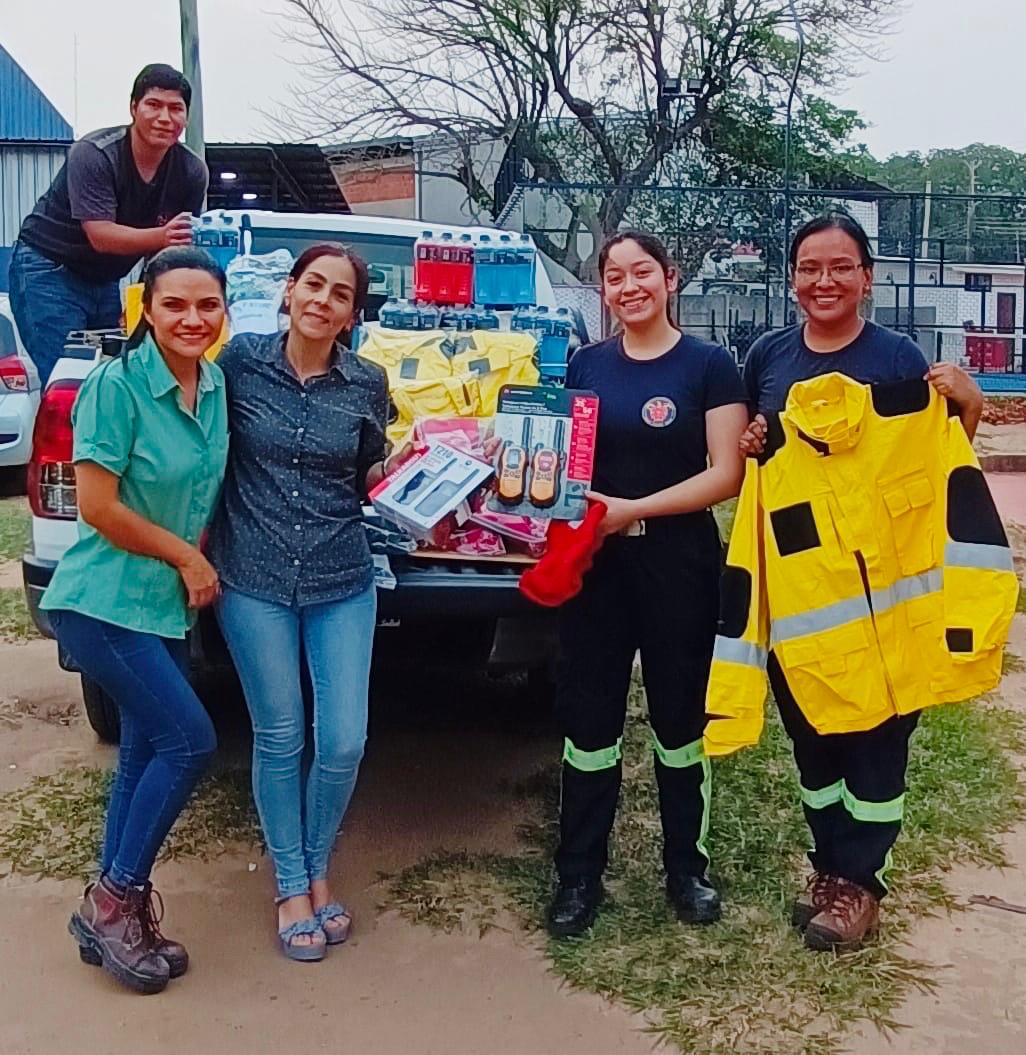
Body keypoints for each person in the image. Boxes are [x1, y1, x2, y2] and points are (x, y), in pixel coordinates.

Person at [738, 212, 985, 951]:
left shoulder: (899, 358)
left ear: (867, 277)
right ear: (791, 279)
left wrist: (967, 405)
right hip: (804, 594)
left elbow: (936, 459)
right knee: (813, 742)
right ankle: (829, 871)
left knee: (878, 745)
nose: (824, 281)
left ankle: (861, 887)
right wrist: (754, 443)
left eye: (841, 266)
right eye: (810, 267)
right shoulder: (769, 358)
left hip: (883, 595)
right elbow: (759, 460)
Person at [545, 231, 748, 938]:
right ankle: (578, 876)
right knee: (589, 722)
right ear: (601, 288)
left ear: (670, 277)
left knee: (680, 721)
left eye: (641, 273)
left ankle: (686, 869)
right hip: (596, 567)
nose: (628, 286)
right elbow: (562, 463)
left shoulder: (710, 366)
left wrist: (632, 510)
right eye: (613, 276)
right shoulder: (585, 364)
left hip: (678, 561)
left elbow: (725, 474)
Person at [41, 247, 229, 994]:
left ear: (223, 313)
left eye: (206, 305)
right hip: (101, 601)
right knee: (190, 741)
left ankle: (106, 910)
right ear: (145, 310)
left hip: (157, 608)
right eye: (175, 304)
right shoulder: (114, 387)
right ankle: (117, 897)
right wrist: (188, 556)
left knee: (145, 749)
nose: (191, 319)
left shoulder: (213, 386)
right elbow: (96, 506)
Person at [207, 244, 397, 962]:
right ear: (288, 291)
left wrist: (422, 467)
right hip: (252, 575)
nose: (322, 299)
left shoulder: (367, 383)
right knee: (281, 733)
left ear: (352, 313)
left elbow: (370, 470)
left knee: (345, 737)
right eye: (312, 284)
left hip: (341, 573)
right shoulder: (237, 363)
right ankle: (295, 884)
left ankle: (316, 863)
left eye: (339, 293)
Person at [9, 64, 207, 387]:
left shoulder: (191, 171)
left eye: (176, 109)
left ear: (186, 118)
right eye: (153, 105)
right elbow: (100, 234)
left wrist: (144, 301)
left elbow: (173, 256)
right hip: (48, 269)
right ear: (133, 108)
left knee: (118, 380)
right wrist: (163, 236)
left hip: (105, 281)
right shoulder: (94, 154)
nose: (164, 117)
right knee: (72, 382)